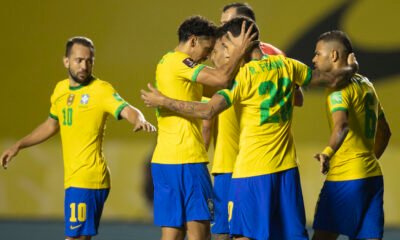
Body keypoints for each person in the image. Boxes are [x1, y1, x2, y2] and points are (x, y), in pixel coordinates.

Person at [141, 17, 358, 240]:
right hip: (287, 171)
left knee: (242, 235)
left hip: (251, 173)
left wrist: (165, 101)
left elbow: (207, 111)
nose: (222, 53)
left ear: (242, 43)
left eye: (226, 45)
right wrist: (352, 67)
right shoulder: (289, 66)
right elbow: (331, 79)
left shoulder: (241, 78)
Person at [0, 36, 156, 240]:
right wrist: (19, 145)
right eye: (79, 60)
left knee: (73, 238)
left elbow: (127, 109)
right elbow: (50, 125)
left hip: (88, 177)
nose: (84, 65)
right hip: (74, 178)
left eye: (89, 61)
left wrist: (139, 119)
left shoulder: (100, 90)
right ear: (66, 61)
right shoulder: (60, 91)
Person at [150, 15, 255, 240]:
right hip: (186, 159)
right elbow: (221, 79)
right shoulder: (180, 62)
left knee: (172, 235)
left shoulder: (167, 63)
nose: (207, 56)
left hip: (164, 161)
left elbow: (220, 92)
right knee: (201, 235)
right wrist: (240, 51)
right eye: (207, 49)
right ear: (193, 41)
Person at [205, 4, 304, 239]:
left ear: (246, 27)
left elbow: (296, 98)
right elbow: (209, 103)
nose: (223, 27)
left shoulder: (272, 56)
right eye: (221, 22)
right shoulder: (223, 53)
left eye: (228, 23)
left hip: (260, 162)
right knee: (224, 232)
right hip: (228, 160)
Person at [311, 31, 391, 240]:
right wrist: (366, 161)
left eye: (318, 54)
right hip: (372, 177)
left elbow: (342, 126)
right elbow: (385, 132)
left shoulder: (337, 90)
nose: (314, 59)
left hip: (345, 177)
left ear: (334, 56)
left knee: (322, 237)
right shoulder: (367, 85)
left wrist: (328, 153)